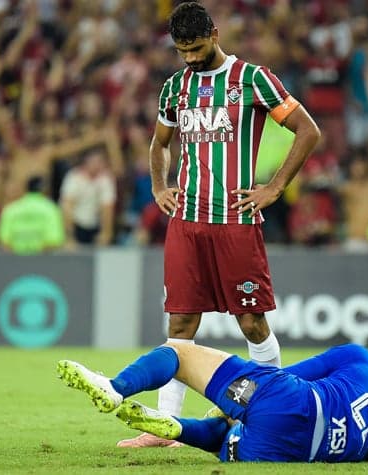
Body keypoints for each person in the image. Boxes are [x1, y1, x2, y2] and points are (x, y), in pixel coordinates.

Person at [126, 1, 321, 447]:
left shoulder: (253, 79)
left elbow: (308, 130)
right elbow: (159, 144)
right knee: (180, 326)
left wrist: (274, 187)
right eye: (182, 51)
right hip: (187, 222)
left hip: (235, 221)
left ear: (214, 33)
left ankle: (277, 413)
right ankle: (165, 428)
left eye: (196, 48)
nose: (190, 58)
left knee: (251, 322)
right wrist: (160, 185)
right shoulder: (175, 87)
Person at [57, 341, 368, 462]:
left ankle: (116, 387)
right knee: (225, 435)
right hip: (285, 451)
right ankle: (178, 429)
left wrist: (235, 398)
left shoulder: (362, 358)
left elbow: (298, 372)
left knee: (179, 353)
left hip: (287, 400)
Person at [0, 176, 65, 255]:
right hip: (42, 262)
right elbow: (53, 242)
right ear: (45, 190)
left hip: (15, 263)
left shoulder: (10, 209)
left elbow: (4, 242)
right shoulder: (51, 209)